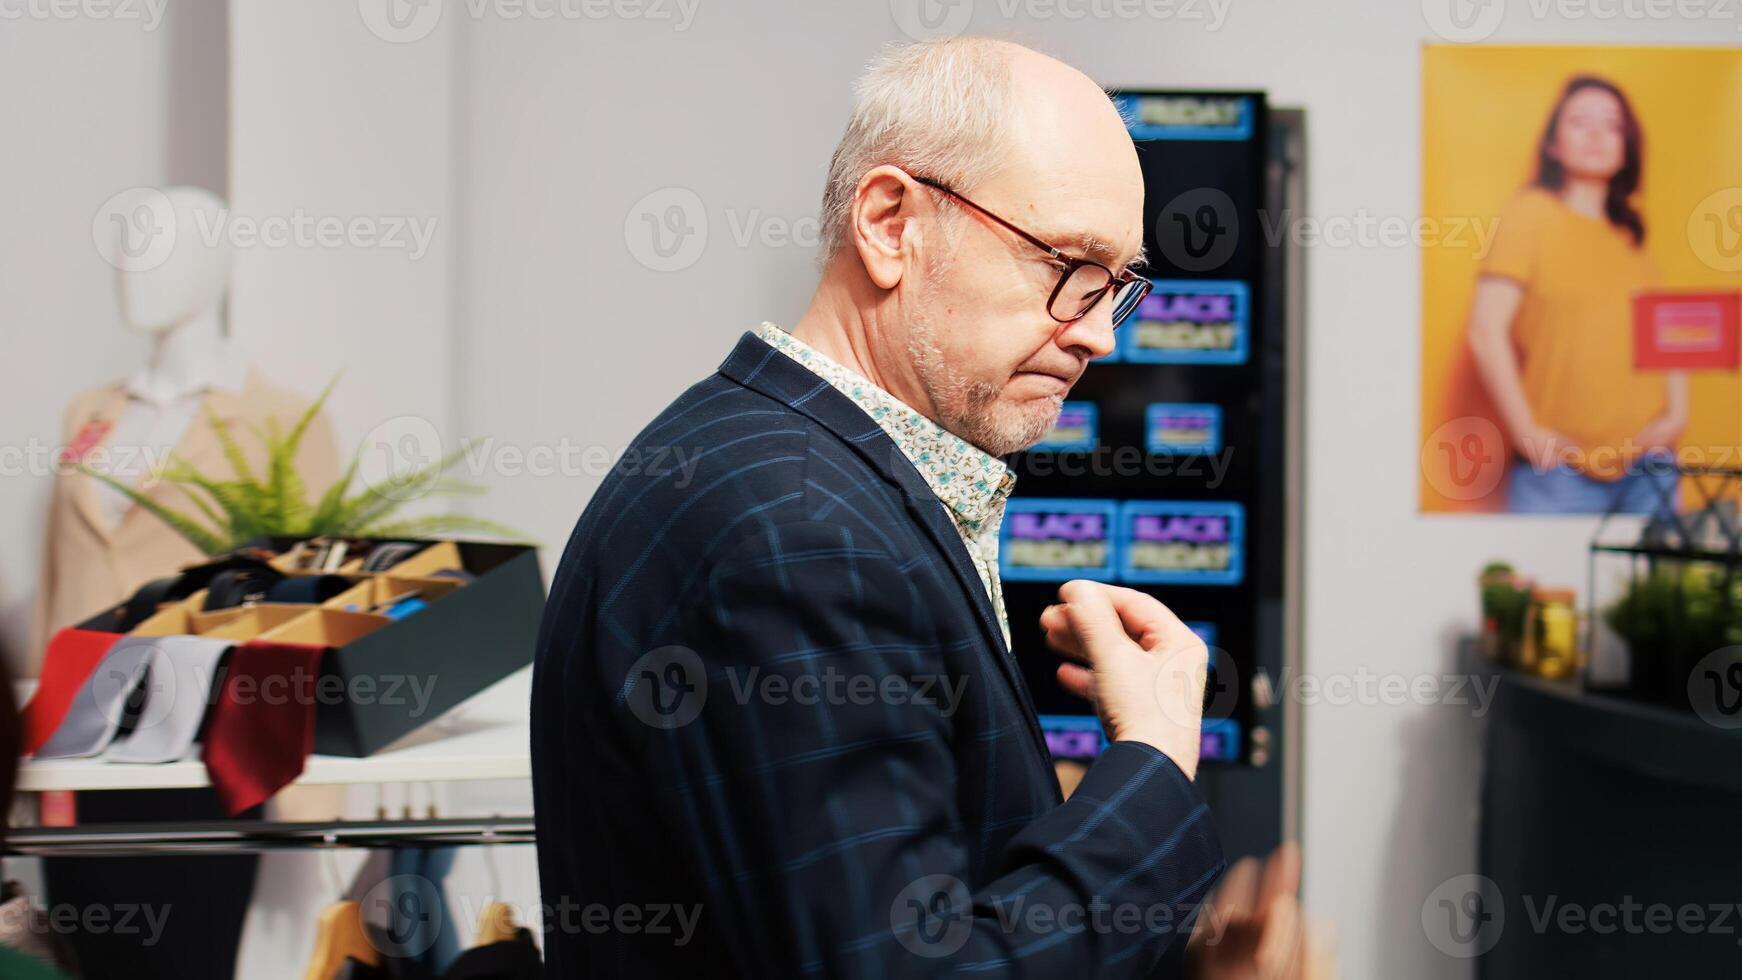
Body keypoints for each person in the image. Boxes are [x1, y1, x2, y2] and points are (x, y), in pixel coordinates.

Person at [532, 37, 1309, 977]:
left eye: (1118, 286)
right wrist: (1151, 763)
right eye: (1070, 264)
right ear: (891, 223)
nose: (1101, 333)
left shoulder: (790, 474)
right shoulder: (797, 536)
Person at [1467, 75, 1684, 514]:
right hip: (1559, 474)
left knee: (1654, 585)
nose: (1596, 135)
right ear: (1552, 144)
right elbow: (1484, 329)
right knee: (1544, 585)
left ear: (1627, 145)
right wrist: (1526, 431)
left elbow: (1666, 337)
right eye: (1579, 122)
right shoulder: (1530, 215)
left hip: (1648, 469)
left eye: (1611, 124)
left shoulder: (1630, 237)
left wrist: (1676, 416)